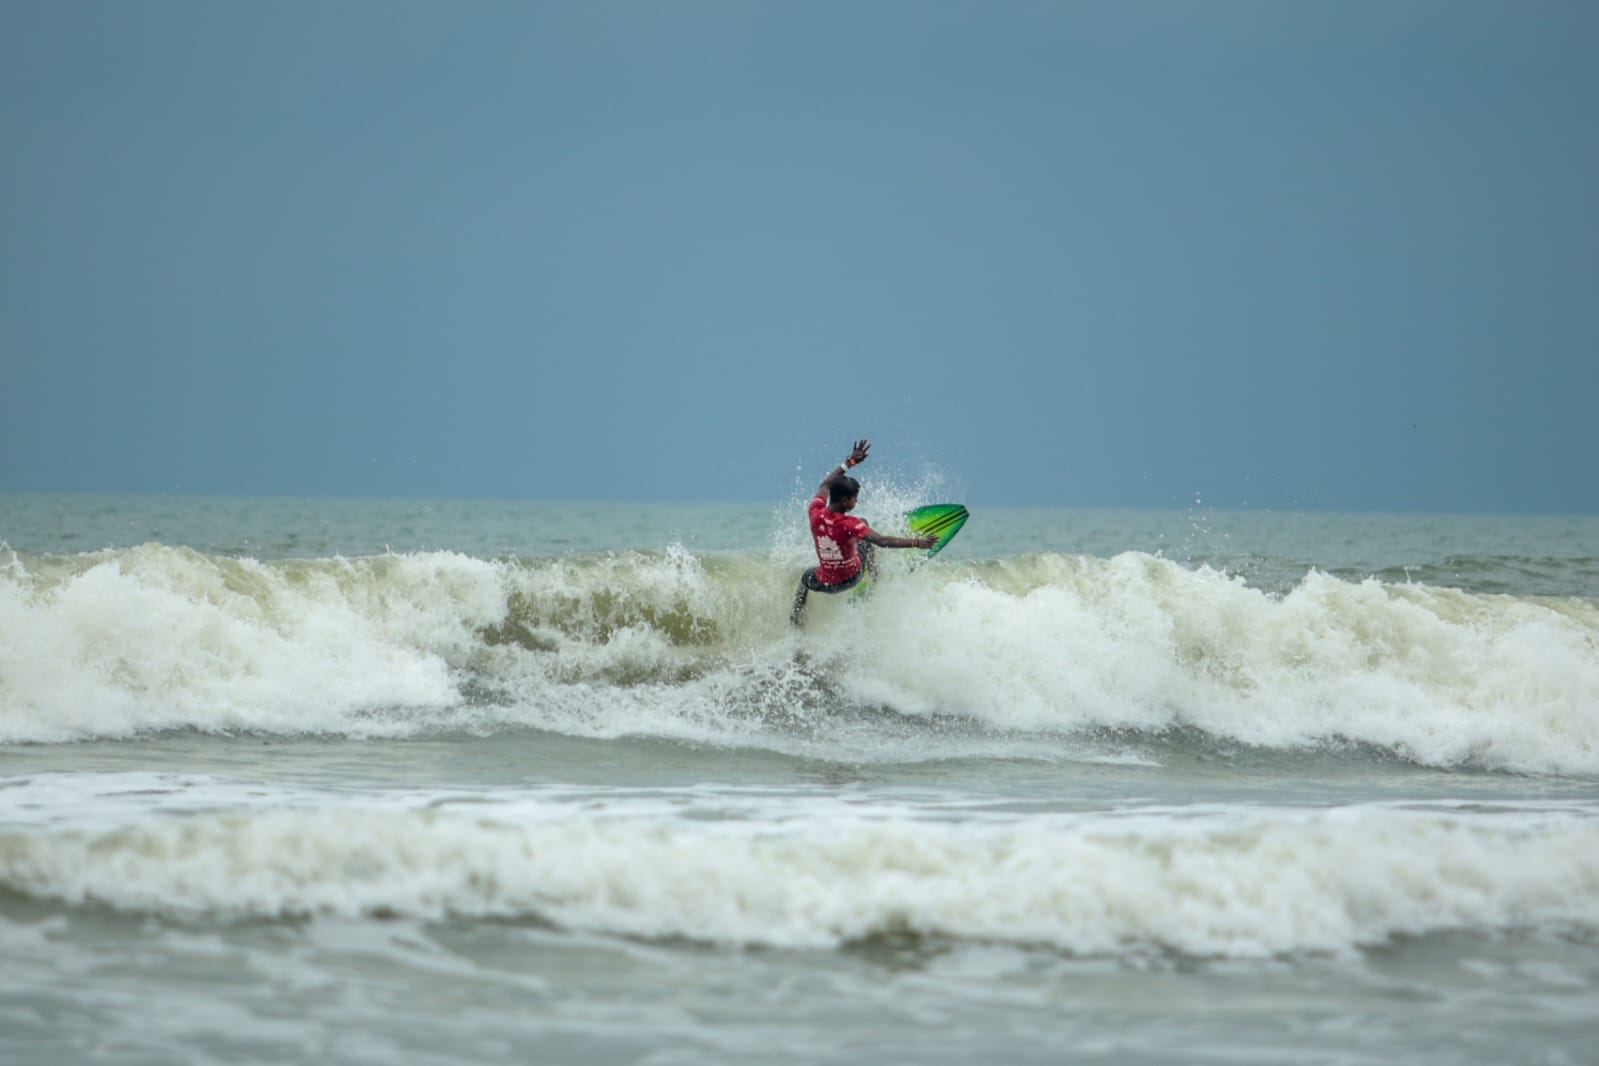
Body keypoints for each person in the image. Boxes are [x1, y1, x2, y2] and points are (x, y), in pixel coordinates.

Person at [790, 438, 937, 626]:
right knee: (864, 527)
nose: (856, 503)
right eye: (854, 499)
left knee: (805, 578)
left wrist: (849, 463)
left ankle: (797, 614)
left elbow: (825, 485)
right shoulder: (851, 524)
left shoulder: (815, 511)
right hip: (852, 578)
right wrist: (917, 542)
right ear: (844, 501)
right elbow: (882, 541)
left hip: (825, 583)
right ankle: (873, 570)